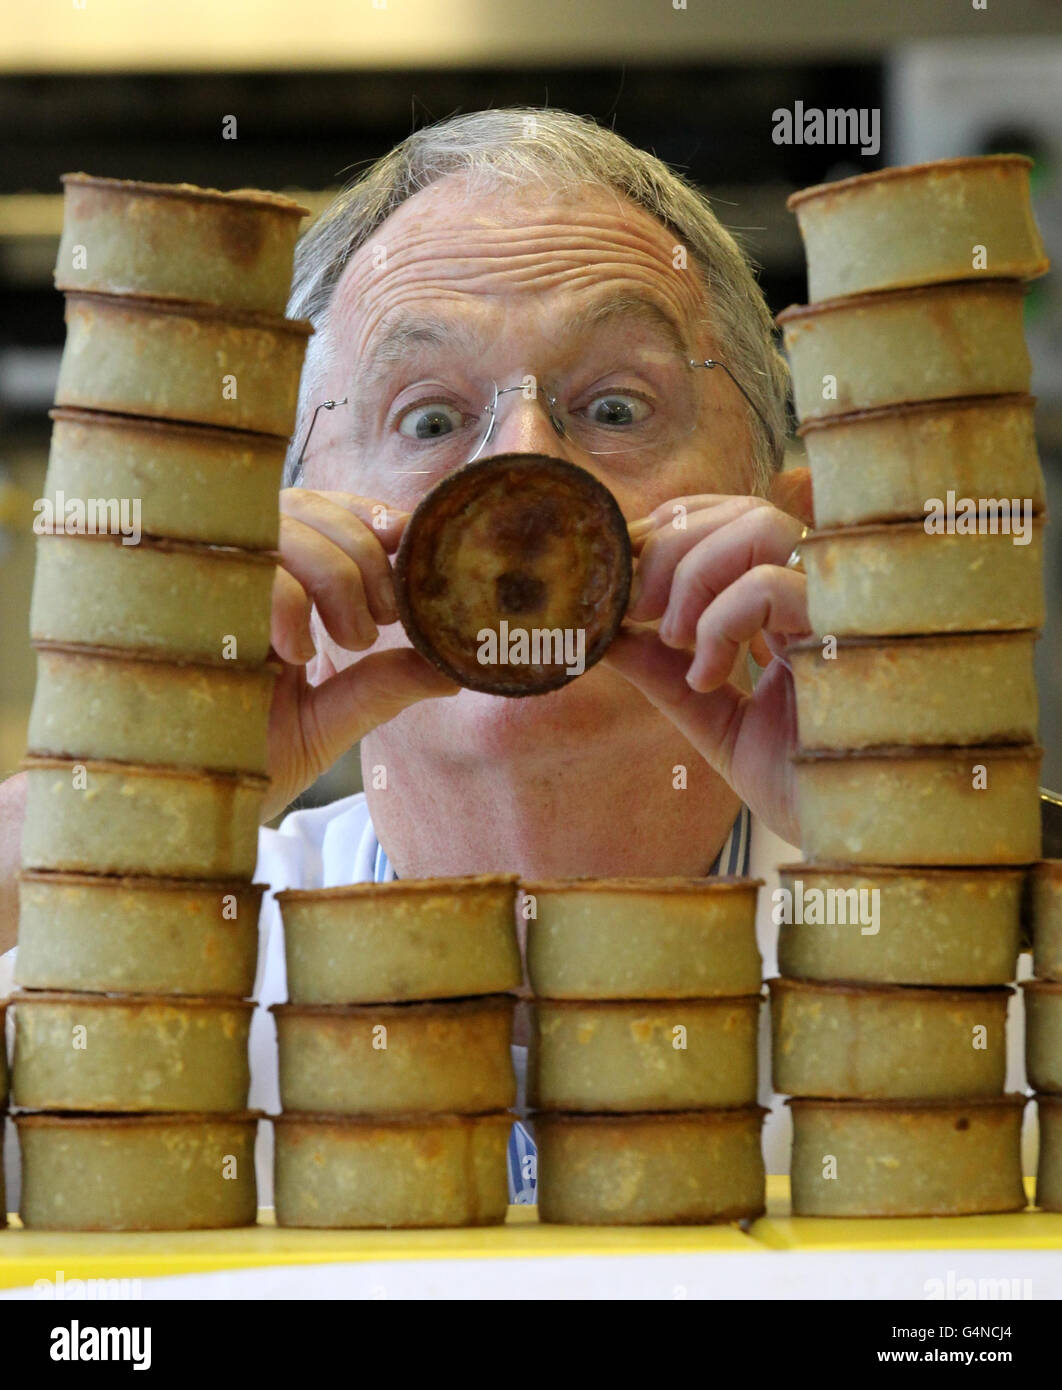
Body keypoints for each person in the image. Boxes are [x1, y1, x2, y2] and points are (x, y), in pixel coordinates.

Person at [0, 106, 814, 1205]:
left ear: (786, 510)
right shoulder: (110, 972)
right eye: (429, 422)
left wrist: (917, 822)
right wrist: (118, 804)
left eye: (617, 407)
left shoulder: (974, 959)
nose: (522, 475)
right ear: (275, 523)